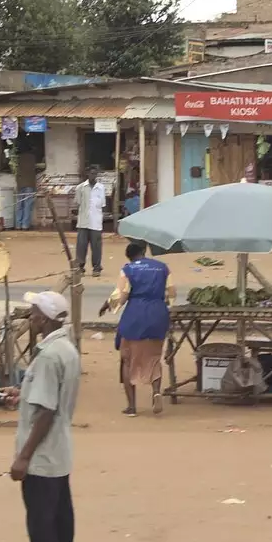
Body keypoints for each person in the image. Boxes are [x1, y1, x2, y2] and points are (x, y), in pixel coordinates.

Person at [8, 291, 81, 542]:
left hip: (42, 457)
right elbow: (44, 399)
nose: (31, 318)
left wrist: (23, 457)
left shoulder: (50, 355)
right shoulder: (65, 349)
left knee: (43, 529)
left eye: (35, 313)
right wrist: (20, 395)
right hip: (58, 456)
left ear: (47, 318)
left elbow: (47, 411)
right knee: (61, 525)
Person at [100, 240, 173, 417]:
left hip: (136, 314)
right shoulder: (163, 267)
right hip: (158, 313)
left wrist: (107, 305)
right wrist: (164, 304)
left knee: (127, 359)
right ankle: (156, 392)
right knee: (155, 357)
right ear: (143, 251)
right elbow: (171, 292)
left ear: (130, 256)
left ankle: (132, 407)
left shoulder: (128, 269)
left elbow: (121, 295)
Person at [72, 166, 106, 277]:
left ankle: (96, 268)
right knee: (81, 246)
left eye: (95, 173)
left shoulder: (101, 188)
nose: (93, 175)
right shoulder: (80, 188)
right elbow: (77, 203)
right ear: (87, 174)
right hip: (83, 222)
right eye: (91, 173)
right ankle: (80, 268)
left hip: (96, 222)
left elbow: (102, 204)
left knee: (96, 246)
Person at [14, 146, 39, 230]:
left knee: (19, 205)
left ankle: (18, 225)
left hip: (20, 183)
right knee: (27, 205)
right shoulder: (33, 157)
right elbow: (37, 168)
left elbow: (15, 170)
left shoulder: (17, 158)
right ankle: (25, 225)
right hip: (30, 183)